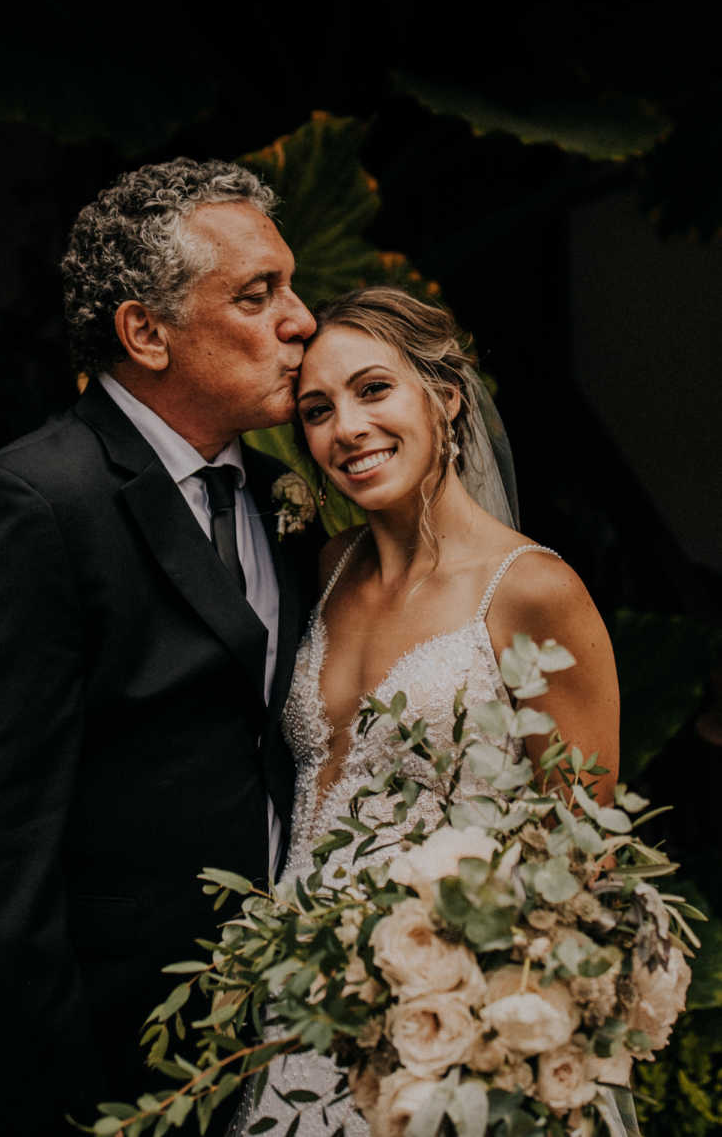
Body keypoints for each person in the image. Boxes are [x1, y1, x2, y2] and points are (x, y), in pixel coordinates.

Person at [0, 159, 320, 1137]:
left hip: (254, 1050)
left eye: (291, 289)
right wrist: (52, 1097)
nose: (301, 320)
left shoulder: (275, 497)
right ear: (145, 331)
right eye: (258, 296)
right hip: (90, 1067)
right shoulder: (32, 505)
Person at [233, 286, 624, 1137]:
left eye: (375, 389)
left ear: (445, 396)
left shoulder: (532, 592)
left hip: (436, 1035)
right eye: (317, 409)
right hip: (289, 1015)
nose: (347, 428)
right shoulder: (327, 568)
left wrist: (468, 1016)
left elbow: (581, 856)